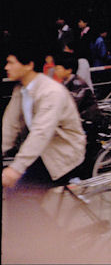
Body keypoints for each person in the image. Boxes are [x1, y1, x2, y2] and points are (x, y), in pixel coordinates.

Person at [2, 43, 86, 190]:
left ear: (29, 65)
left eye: (10, 62)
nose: (6, 67)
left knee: (20, 193)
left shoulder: (51, 92)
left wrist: (16, 168)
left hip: (62, 152)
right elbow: (9, 127)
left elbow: (41, 131)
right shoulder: (20, 90)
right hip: (42, 149)